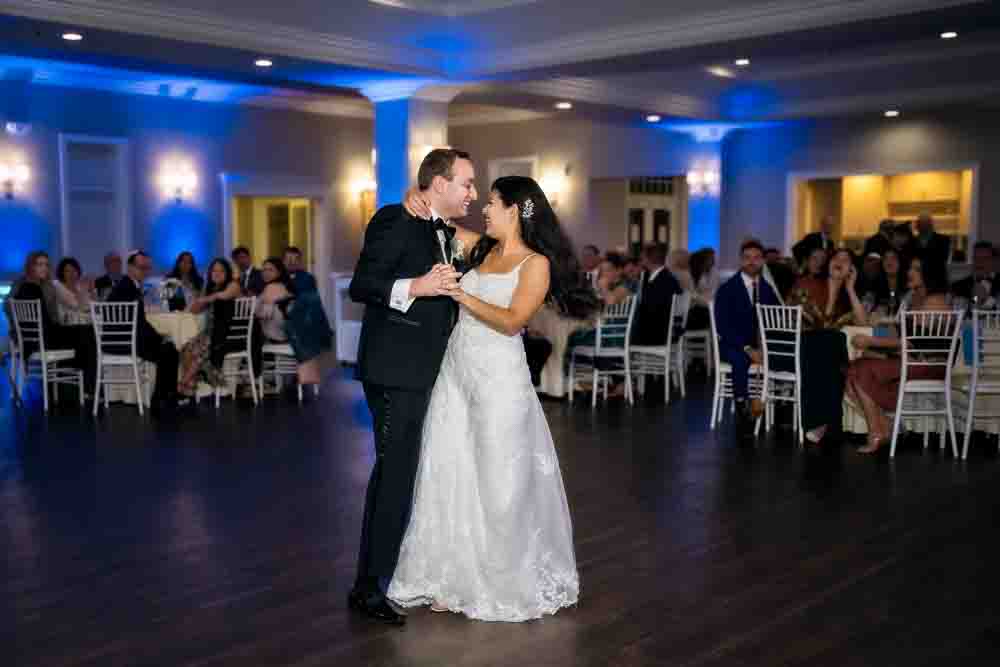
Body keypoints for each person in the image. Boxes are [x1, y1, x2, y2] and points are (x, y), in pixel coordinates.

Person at [387, 175, 579, 622]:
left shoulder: (535, 263)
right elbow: (435, 221)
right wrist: (413, 197)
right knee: (451, 471)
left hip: (499, 381)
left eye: (492, 202)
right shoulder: (481, 249)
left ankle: (500, 582)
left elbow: (513, 322)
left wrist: (460, 295)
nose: (484, 209)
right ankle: (451, 577)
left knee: (499, 481)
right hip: (456, 374)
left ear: (515, 209)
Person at [347, 148, 473, 625]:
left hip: (423, 369)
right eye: (465, 182)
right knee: (395, 473)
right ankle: (368, 586)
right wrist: (415, 287)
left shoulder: (444, 230)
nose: (472, 192)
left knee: (398, 472)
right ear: (438, 183)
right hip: (394, 369)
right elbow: (362, 283)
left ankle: (373, 577)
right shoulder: (396, 219)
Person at [846, 257, 952, 454]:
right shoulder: (913, 298)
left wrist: (872, 342)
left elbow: (914, 342)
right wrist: (874, 345)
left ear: (930, 274)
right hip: (911, 360)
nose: (909, 272)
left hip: (930, 364)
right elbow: (900, 334)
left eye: (917, 269)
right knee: (850, 369)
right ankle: (886, 425)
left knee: (860, 369)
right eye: (910, 267)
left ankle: (876, 432)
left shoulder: (934, 301)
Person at [787, 248, 868, 444]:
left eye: (846, 260)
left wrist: (849, 288)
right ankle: (830, 417)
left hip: (825, 353)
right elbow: (813, 321)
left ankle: (821, 421)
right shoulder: (809, 283)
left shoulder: (845, 298)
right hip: (799, 345)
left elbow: (863, 323)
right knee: (833, 340)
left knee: (833, 342)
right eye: (836, 257)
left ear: (851, 270)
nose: (840, 261)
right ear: (829, 263)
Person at [714, 239, 780, 433]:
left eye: (757, 258)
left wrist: (764, 347)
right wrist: (748, 348)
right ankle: (742, 407)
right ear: (741, 261)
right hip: (733, 345)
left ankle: (780, 406)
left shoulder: (767, 288)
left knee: (785, 356)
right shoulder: (727, 289)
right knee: (740, 359)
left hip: (761, 345)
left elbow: (776, 316)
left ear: (762, 261)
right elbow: (723, 327)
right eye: (747, 258)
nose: (752, 262)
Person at [9, 251, 97, 394]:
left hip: (39, 337)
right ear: (31, 267)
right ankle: (89, 386)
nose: (44, 268)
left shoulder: (34, 286)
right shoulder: (31, 288)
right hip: (43, 338)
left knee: (85, 332)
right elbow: (44, 322)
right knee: (88, 333)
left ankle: (82, 382)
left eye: (46, 265)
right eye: (39, 264)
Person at [107, 251, 180, 415]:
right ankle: (162, 397)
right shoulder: (129, 288)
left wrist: (157, 337)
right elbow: (139, 324)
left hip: (119, 340)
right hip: (126, 342)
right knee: (169, 349)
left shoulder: (125, 285)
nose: (144, 271)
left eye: (147, 268)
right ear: (130, 268)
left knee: (167, 347)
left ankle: (166, 395)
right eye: (141, 267)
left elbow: (138, 323)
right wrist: (158, 338)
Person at [175, 258, 243, 401]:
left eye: (221, 270)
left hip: (230, 335)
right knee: (186, 348)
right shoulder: (211, 289)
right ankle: (190, 388)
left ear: (227, 273)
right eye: (214, 270)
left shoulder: (233, 285)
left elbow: (224, 296)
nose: (217, 273)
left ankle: (182, 385)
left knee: (199, 350)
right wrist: (195, 301)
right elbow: (194, 309)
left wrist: (205, 299)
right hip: (213, 333)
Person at [632, 242, 682, 346]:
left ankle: (619, 359)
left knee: (623, 330)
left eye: (642, 258)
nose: (640, 261)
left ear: (648, 259)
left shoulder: (663, 281)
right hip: (662, 327)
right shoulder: (662, 276)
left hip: (657, 332)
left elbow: (649, 309)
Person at [255, 257, 294, 344]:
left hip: (275, 334)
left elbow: (266, 314)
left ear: (279, 272)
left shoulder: (271, 287)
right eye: (264, 270)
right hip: (286, 332)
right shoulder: (284, 285)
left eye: (270, 270)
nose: (266, 273)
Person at [951, 240, 999, 308]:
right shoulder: (959, 286)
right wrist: (975, 298)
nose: (980, 262)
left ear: (993, 261)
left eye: (985, 258)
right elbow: (962, 313)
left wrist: (987, 299)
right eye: (976, 258)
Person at [54, 257, 94, 325]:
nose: (71, 274)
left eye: (74, 270)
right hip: (68, 324)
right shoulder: (58, 286)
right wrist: (83, 291)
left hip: (83, 322)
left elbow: (90, 306)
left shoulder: (79, 286)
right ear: (62, 273)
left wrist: (92, 290)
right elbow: (74, 305)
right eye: (67, 271)